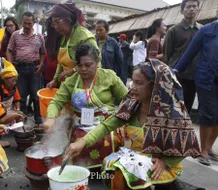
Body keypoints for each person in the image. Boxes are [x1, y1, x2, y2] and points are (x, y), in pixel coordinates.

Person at [66, 60, 201, 189]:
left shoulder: (170, 113)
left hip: (157, 165)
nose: (132, 88)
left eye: (138, 83)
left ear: (154, 86)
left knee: (125, 174)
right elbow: (107, 125)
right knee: (110, 164)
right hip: (135, 158)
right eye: (132, 82)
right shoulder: (132, 105)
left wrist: (166, 161)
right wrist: (83, 142)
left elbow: (188, 143)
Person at [43, 43, 127, 169]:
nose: (83, 69)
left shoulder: (108, 76)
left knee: (107, 140)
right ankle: (82, 171)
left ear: (97, 62)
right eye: (80, 65)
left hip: (106, 124)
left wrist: (123, 122)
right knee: (75, 142)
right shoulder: (71, 81)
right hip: (80, 124)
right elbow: (56, 102)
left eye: (88, 65)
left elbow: (127, 100)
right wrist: (50, 119)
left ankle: (106, 169)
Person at [174, 10, 218, 166]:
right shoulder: (207, 31)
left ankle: (209, 148)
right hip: (207, 79)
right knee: (209, 114)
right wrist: (176, 70)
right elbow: (190, 52)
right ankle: (203, 151)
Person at [45, 3, 100, 89]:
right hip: (68, 85)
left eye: (57, 22)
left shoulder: (84, 37)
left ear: (69, 19)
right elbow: (61, 62)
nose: (55, 27)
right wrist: (55, 80)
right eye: (53, 24)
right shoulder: (63, 37)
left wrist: (74, 70)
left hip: (84, 85)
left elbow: (97, 61)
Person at [6, 12, 45, 125]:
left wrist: (41, 64)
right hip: (20, 69)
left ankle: (38, 119)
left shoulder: (39, 36)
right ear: (21, 22)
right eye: (25, 23)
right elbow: (9, 50)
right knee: (21, 97)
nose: (27, 26)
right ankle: (22, 120)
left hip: (34, 69)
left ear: (34, 23)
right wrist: (10, 66)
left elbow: (43, 52)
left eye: (29, 23)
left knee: (35, 96)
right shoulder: (15, 35)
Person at [163, 0, 201, 114]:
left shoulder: (202, 30)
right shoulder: (173, 30)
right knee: (173, 109)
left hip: (194, 77)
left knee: (187, 109)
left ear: (199, 10)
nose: (192, 9)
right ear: (182, 10)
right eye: (188, 7)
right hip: (177, 76)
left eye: (194, 7)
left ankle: (185, 131)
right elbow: (167, 55)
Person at [96, 20, 125, 84]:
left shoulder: (113, 43)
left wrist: (116, 75)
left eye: (100, 30)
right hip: (96, 77)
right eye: (96, 30)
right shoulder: (93, 43)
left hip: (109, 77)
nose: (98, 32)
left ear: (107, 30)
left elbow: (120, 60)